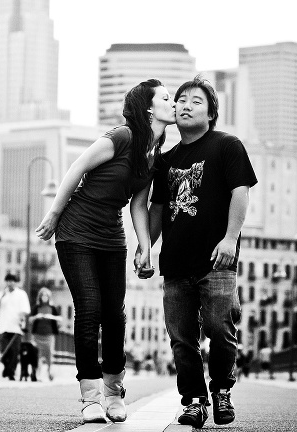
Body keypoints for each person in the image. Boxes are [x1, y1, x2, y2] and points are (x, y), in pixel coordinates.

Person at [36, 79, 175, 423]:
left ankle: (115, 392)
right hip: (76, 231)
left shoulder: (155, 155)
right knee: (90, 309)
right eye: (167, 98)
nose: (174, 104)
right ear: (148, 109)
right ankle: (91, 397)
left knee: (115, 315)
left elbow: (139, 205)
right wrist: (53, 214)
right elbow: (77, 167)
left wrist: (146, 248)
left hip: (111, 237)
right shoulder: (122, 137)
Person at [147, 75, 258, 429]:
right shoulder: (165, 161)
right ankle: (194, 401)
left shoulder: (227, 146)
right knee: (182, 339)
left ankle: (222, 390)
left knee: (218, 327)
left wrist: (230, 239)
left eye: (196, 101)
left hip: (217, 261)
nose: (184, 105)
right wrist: (144, 248)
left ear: (211, 114)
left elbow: (241, 192)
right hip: (176, 264)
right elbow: (158, 209)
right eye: (180, 100)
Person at [0, 273, 30, 381]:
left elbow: (25, 310)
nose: (9, 283)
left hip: (16, 327)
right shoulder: (2, 294)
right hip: (3, 326)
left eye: (12, 281)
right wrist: (2, 297)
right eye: (8, 281)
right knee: (4, 350)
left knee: (14, 351)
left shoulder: (21, 294)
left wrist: (21, 320)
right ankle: (6, 368)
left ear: (15, 282)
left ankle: (11, 372)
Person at [29, 286, 61, 381]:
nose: (44, 297)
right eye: (42, 295)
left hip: (49, 335)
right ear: (39, 297)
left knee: (49, 354)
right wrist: (36, 317)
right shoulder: (36, 307)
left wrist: (51, 317)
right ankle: (37, 374)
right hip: (37, 335)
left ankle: (50, 372)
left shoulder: (52, 308)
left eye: (46, 295)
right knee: (37, 355)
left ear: (49, 297)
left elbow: (60, 319)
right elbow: (30, 320)